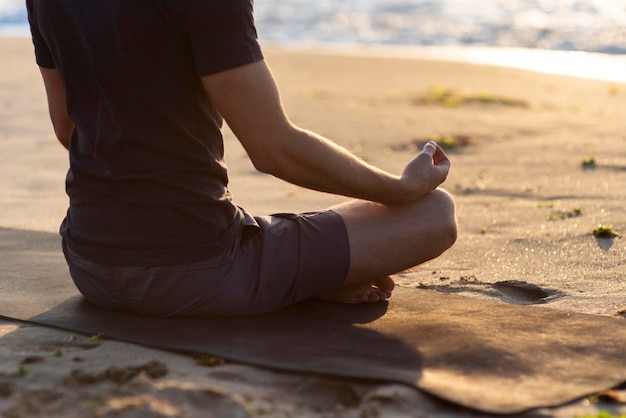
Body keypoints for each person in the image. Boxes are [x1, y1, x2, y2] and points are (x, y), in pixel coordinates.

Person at [26, 0, 457, 317]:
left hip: (90, 264)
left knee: (261, 228)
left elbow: (68, 127)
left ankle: (301, 271)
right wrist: (400, 188)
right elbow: (274, 150)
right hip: (197, 271)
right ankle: (305, 279)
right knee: (436, 213)